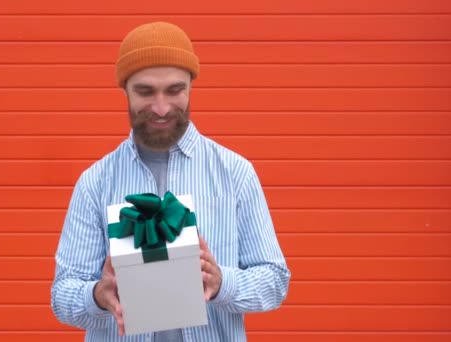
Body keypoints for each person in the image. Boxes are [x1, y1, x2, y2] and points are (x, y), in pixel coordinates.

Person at [51, 21, 290, 342]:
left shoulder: (235, 173)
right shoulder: (95, 183)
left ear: (191, 86)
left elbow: (274, 282)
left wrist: (221, 282)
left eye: (175, 90)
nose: (161, 108)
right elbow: (62, 295)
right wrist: (97, 294)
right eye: (145, 91)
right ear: (124, 90)